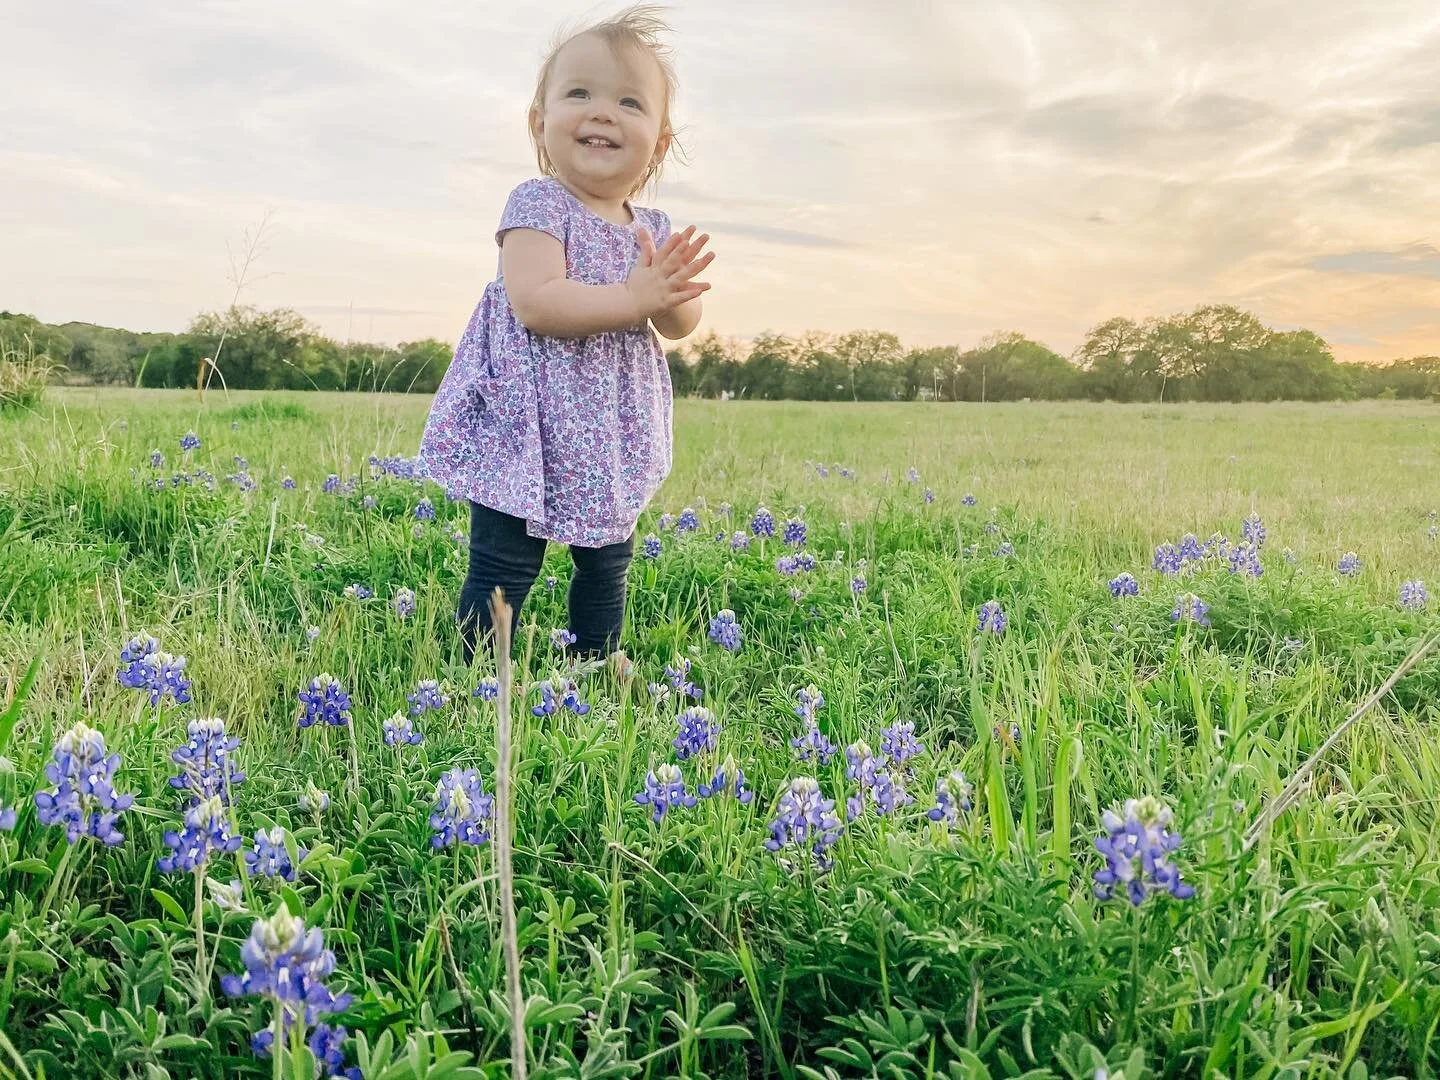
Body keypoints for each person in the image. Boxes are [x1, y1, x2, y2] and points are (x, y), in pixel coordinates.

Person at [419, 5, 713, 667]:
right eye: (578, 93)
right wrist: (632, 295)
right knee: (505, 562)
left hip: (607, 429)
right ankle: (480, 676)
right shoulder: (538, 204)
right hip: (526, 427)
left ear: (659, 144)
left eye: (629, 101)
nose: (602, 111)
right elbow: (538, 302)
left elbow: (679, 324)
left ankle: (596, 660)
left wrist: (667, 297)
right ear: (539, 124)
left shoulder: (655, 227)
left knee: (607, 563)